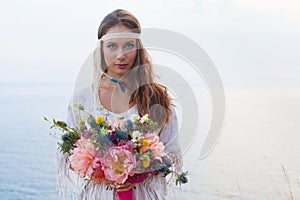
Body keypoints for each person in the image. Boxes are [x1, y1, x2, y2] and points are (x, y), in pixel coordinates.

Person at [57, 9, 182, 200]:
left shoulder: (157, 98)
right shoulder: (83, 99)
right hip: (98, 195)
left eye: (129, 45)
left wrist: (139, 170)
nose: (121, 55)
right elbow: (70, 154)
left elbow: (171, 153)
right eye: (112, 46)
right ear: (101, 49)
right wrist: (100, 172)